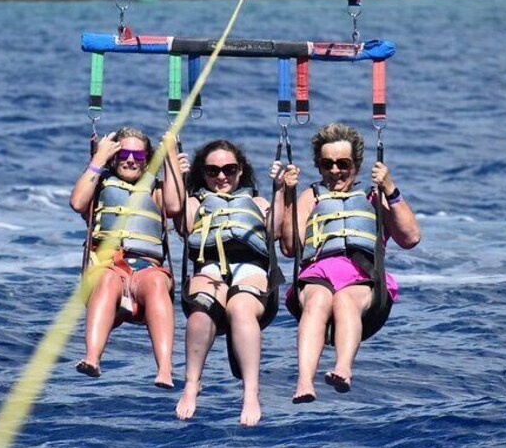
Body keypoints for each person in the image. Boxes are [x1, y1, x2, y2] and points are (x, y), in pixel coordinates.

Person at [280, 122, 420, 403]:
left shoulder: (374, 197)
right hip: (317, 273)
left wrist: (390, 188)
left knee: (345, 300)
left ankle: (343, 368)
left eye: (342, 164)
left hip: (362, 276)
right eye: (326, 164)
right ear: (319, 166)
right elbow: (289, 247)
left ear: (356, 165)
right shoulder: (311, 196)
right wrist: (287, 196)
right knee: (318, 300)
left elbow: (410, 237)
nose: (334, 171)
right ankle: (304, 381)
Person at [174, 140, 285, 426]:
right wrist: (179, 179)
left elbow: (275, 232)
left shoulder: (259, 202)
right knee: (202, 307)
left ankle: (250, 393)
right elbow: (184, 226)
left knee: (241, 308)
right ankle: (191, 384)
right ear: (203, 174)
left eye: (228, 169)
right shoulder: (196, 201)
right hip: (209, 267)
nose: (221, 176)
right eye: (212, 171)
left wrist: (282, 189)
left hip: (251, 267)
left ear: (240, 171)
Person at [69, 127, 184, 389]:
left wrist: (171, 158)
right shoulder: (99, 186)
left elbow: (176, 207)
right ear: (114, 156)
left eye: (138, 155)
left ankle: (165, 370)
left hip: (146, 270)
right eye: (124, 153)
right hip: (108, 267)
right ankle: (92, 358)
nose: (131, 160)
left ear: (147, 159)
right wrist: (97, 159)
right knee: (108, 280)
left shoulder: (157, 190)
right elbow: (77, 203)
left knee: (156, 283)